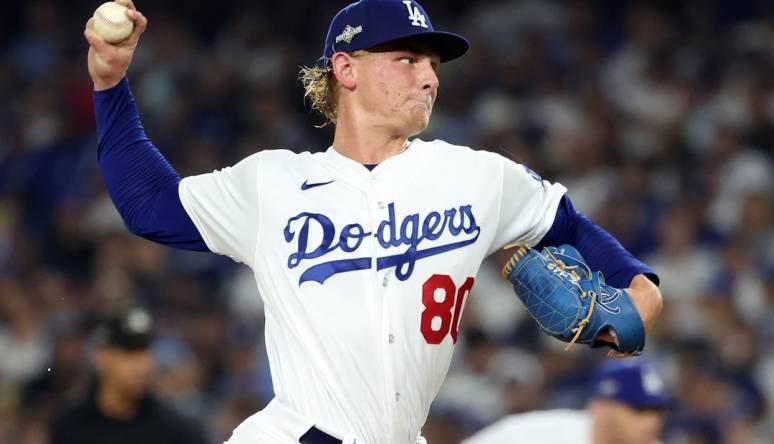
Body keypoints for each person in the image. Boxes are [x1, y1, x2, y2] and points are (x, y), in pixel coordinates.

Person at [82, 0, 663, 442]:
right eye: (406, 60)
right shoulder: (272, 184)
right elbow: (148, 203)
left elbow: (569, 225)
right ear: (346, 69)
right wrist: (109, 85)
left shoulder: (478, 178)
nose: (429, 77)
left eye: (432, 64)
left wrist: (640, 284)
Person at [49, 306, 208, 444]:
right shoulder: (69, 428)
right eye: (129, 352)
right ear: (100, 356)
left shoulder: (178, 431)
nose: (142, 365)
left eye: (145, 351)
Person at [462, 359, 670, 444]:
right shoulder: (538, 435)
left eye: (656, 411)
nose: (651, 422)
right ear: (599, 407)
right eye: (637, 409)